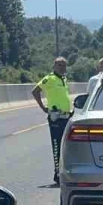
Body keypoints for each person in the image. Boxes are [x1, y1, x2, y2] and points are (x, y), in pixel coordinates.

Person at [32, 56, 73, 186]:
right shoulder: (49, 78)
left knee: (67, 146)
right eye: (60, 65)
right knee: (57, 145)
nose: (62, 68)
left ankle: (65, 172)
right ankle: (57, 174)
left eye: (64, 65)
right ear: (54, 65)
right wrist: (43, 107)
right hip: (56, 117)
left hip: (67, 116)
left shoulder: (64, 79)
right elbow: (35, 91)